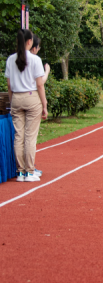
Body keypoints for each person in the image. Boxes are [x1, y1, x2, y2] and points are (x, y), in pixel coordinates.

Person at [6, 29, 47, 182]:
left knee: (19, 136)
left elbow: (9, 85)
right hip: (31, 97)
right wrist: (44, 104)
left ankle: (20, 171)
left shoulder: (10, 59)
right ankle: (29, 171)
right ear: (30, 42)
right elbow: (40, 85)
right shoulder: (35, 60)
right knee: (30, 136)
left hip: (16, 97)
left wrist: (12, 102)